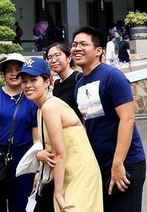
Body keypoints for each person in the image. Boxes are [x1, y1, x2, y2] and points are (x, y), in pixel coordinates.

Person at [72, 27, 146, 212]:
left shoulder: (112, 77)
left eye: (83, 44)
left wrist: (118, 163)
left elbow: (127, 119)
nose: (77, 48)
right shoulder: (80, 84)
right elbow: (86, 123)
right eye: (74, 45)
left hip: (125, 161)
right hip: (100, 164)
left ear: (99, 51)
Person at [20, 58, 103, 212]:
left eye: (33, 80)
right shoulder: (41, 108)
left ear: (47, 81)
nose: (28, 85)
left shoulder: (50, 106)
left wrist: (58, 193)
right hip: (68, 172)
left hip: (79, 173)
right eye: (24, 81)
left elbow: (59, 154)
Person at [0, 53, 39, 212]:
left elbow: (37, 139)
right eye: (9, 70)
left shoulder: (31, 98)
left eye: (18, 70)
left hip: (23, 158)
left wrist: (38, 169)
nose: (13, 74)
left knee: (21, 204)